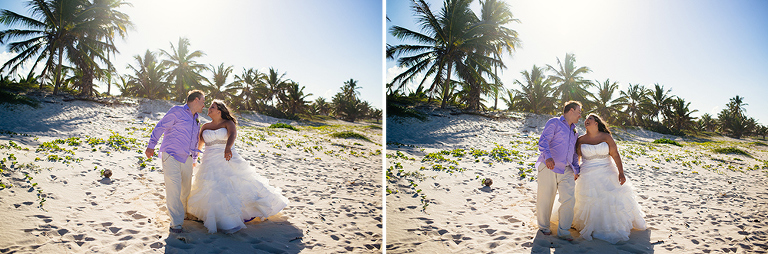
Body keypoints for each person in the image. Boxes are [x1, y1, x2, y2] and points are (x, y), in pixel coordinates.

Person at [186, 100, 289, 234]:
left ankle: (230, 218)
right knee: (210, 187)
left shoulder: (228, 123)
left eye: (212, 107)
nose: (209, 109)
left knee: (229, 186)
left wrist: (228, 148)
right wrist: (194, 158)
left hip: (226, 157)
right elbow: (199, 144)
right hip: (209, 159)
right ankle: (213, 215)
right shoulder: (205, 126)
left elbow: (232, 135)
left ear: (219, 111)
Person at [572, 114, 647, 243]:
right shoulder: (580, 139)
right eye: (585, 120)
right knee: (589, 201)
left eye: (590, 119)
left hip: (607, 171)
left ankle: (608, 227)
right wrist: (576, 171)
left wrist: (621, 172)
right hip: (587, 173)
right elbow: (576, 158)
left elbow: (615, 155)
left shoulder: (606, 137)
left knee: (611, 201)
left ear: (596, 123)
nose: (586, 121)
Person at [145, 90, 206, 234]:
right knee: (174, 190)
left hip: (187, 158)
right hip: (171, 155)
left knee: (185, 189)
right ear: (196, 100)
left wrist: (195, 158)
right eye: (203, 101)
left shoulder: (197, 118)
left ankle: (183, 214)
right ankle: (176, 223)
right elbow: (161, 126)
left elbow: (195, 139)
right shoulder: (177, 111)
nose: (204, 105)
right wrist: (151, 145)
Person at [536, 101, 582, 241]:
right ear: (571, 110)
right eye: (579, 111)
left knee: (569, 199)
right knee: (546, 198)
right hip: (549, 166)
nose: (580, 115)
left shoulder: (575, 131)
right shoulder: (554, 122)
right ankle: (544, 227)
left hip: (566, 169)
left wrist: (576, 169)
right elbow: (544, 140)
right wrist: (548, 157)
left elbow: (574, 153)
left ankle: (563, 231)